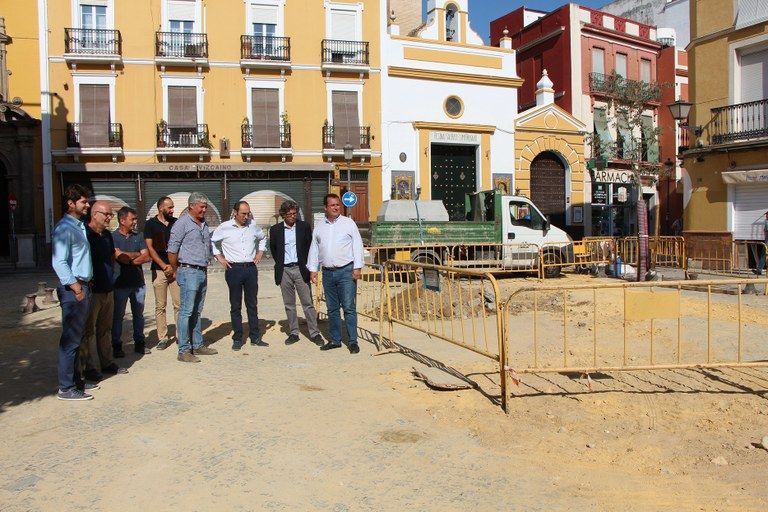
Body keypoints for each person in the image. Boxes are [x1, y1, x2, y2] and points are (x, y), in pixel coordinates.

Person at [51, 184, 95, 400]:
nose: (87, 205)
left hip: (83, 286)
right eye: (83, 202)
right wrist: (76, 287)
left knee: (77, 338)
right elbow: (59, 261)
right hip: (73, 289)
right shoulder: (64, 228)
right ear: (71, 203)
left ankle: (77, 381)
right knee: (70, 340)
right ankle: (66, 388)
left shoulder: (79, 226)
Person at [308, 193, 364, 354]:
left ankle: (353, 341)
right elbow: (314, 249)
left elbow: (357, 245)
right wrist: (313, 269)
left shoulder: (349, 224)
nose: (335, 207)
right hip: (327, 273)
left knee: (348, 307)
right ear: (325, 207)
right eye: (332, 205)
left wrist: (357, 267)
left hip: (346, 271)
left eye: (337, 205)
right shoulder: (319, 227)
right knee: (332, 308)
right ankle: (335, 340)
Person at [167, 192, 218, 363]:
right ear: (191, 206)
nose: (204, 210)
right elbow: (172, 250)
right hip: (188, 271)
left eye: (205, 206)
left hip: (202, 271)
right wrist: (176, 270)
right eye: (201, 207)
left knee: (197, 310)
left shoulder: (203, 224)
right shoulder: (182, 224)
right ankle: (184, 350)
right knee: (186, 312)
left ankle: (197, 344)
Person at [211, 201, 267, 350]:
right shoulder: (224, 227)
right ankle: (237, 338)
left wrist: (260, 252)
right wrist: (219, 257)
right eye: (243, 213)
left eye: (248, 213)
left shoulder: (253, 225)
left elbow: (262, 238)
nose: (246, 216)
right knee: (235, 305)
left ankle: (255, 336)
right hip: (233, 269)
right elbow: (211, 241)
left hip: (250, 269)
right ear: (235, 212)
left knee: (252, 304)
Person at [81, 201, 127, 382]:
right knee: (88, 331)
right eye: (106, 214)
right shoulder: (84, 234)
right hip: (92, 290)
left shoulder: (107, 235)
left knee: (105, 329)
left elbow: (111, 258)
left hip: (108, 288)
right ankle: (88, 367)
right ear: (94, 214)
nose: (109, 217)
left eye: (110, 214)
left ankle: (107, 362)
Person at [269, 200, 323, 346]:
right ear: (283, 215)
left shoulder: (304, 227)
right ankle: (294, 332)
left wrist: (311, 268)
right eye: (289, 214)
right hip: (284, 270)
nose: (293, 216)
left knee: (307, 303)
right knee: (289, 304)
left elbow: (310, 247)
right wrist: (282, 264)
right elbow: (274, 250)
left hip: (301, 269)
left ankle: (314, 333)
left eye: (294, 213)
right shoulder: (275, 230)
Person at [111, 207, 151, 357]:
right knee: (118, 316)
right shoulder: (113, 237)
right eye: (132, 219)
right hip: (120, 284)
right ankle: (116, 345)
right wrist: (134, 256)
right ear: (122, 221)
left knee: (138, 315)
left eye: (135, 219)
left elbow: (146, 257)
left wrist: (129, 259)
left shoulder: (138, 236)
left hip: (138, 283)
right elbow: (119, 257)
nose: (135, 222)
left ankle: (139, 344)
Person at [144, 196, 179, 350]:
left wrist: (174, 266)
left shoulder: (176, 223)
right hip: (159, 270)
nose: (172, 210)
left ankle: (181, 336)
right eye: (169, 207)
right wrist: (164, 265)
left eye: (173, 207)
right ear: (160, 208)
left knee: (179, 304)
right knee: (160, 305)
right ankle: (162, 337)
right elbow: (150, 249)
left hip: (176, 269)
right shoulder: (150, 224)